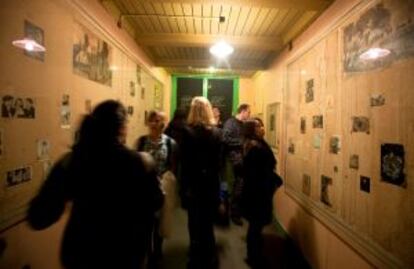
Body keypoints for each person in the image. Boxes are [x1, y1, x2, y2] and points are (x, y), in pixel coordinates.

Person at [27, 100, 164, 269]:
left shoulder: (71, 161)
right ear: (121, 128)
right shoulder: (141, 162)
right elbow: (157, 202)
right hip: (126, 253)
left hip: (82, 253)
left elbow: (39, 217)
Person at [180, 97, 222, 269]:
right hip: (210, 185)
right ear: (208, 110)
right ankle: (210, 257)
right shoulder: (217, 133)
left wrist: (183, 189)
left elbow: (185, 164)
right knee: (208, 223)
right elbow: (219, 164)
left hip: (193, 186)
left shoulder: (187, 132)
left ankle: (195, 257)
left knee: (194, 223)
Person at [135, 110, 177, 268]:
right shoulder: (141, 141)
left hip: (161, 187)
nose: (154, 123)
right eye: (151, 120)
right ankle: (147, 252)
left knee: (160, 222)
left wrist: (167, 180)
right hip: (143, 189)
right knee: (146, 223)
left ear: (163, 124)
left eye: (158, 120)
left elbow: (173, 165)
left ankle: (158, 252)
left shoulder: (169, 143)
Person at [241, 117, 282, 268]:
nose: (262, 128)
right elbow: (258, 171)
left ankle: (254, 254)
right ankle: (254, 257)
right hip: (257, 192)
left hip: (258, 191)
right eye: (258, 126)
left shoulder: (255, 143)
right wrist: (273, 180)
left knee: (256, 226)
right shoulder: (254, 147)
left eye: (262, 125)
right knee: (255, 226)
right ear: (252, 129)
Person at [222, 103, 251, 225]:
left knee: (240, 186)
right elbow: (225, 139)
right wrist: (241, 143)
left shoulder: (244, 125)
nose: (249, 115)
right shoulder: (230, 123)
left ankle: (235, 212)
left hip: (242, 159)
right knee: (234, 186)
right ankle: (231, 213)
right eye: (248, 112)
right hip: (233, 160)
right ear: (243, 111)